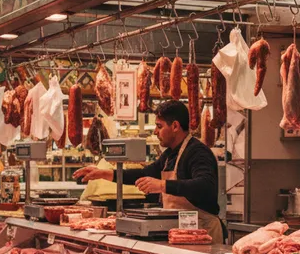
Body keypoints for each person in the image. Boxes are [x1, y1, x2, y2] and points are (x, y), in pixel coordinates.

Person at [74, 100, 223, 243]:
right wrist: (103, 173)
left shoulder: (197, 152)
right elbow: (144, 174)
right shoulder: (170, 154)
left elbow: (205, 185)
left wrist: (162, 185)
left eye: (159, 126)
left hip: (204, 231)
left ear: (175, 126)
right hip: (181, 230)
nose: (155, 131)